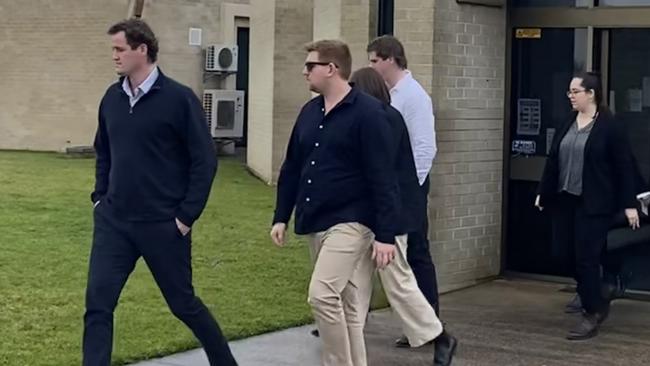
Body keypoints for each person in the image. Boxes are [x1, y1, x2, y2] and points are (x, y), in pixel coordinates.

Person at [83, 19, 237, 366]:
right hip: (114, 223)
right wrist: (99, 197)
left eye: (119, 49)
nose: (114, 56)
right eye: (113, 49)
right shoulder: (111, 98)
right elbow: (103, 150)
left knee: (183, 304)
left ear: (142, 49)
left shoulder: (179, 99)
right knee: (98, 304)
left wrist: (185, 218)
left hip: (163, 226)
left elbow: (204, 161)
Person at [270, 39, 399, 366]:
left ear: (331, 68)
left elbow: (383, 178)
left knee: (322, 294)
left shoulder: (368, 114)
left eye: (310, 66)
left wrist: (386, 235)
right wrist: (281, 216)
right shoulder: (309, 112)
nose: (304, 72)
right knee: (348, 306)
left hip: (353, 222)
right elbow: (293, 167)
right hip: (317, 220)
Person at [349, 67, 457, 366]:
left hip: (387, 219)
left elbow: (386, 178)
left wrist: (387, 228)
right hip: (371, 216)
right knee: (355, 283)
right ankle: (348, 340)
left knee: (399, 283)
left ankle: (438, 335)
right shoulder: (373, 120)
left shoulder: (383, 121)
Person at [536, 71, 640, 340]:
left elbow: (624, 167)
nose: (570, 96)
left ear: (591, 94)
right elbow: (553, 158)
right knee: (564, 254)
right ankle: (596, 289)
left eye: (575, 91)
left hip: (594, 204)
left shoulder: (609, 126)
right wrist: (543, 192)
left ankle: (592, 312)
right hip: (565, 199)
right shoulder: (568, 121)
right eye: (569, 92)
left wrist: (629, 205)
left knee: (586, 258)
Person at [366, 35, 445, 348]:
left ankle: (431, 325)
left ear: (389, 59)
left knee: (417, 252)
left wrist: (411, 188)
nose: (371, 66)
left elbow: (425, 146)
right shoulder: (384, 94)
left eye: (374, 60)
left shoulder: (413, 96)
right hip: (391, 185)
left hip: (409, 187)